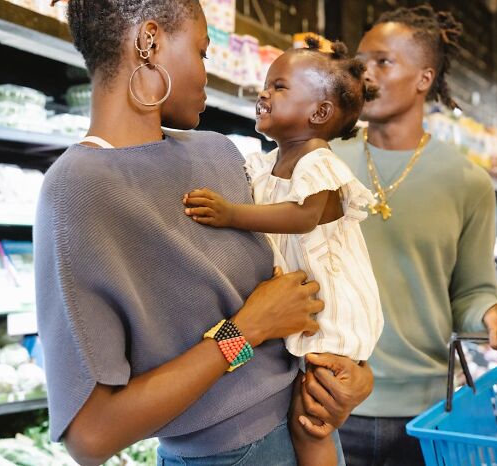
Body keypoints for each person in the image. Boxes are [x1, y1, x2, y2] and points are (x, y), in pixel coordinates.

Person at [35, 1, 373, 465]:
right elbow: (90, 437)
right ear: (149, 42)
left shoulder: (221, 154)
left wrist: (354, 376)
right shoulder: (78, 189)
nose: (206, 74)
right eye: (202, 52)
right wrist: (247, 330)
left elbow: (321, 271)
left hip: (310, 427)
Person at [329, 5, 497, 466]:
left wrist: (489, 313)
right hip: (329, 404)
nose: (365, 73)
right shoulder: (322, 163)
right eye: (361, 61)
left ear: (424, 78)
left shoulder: (467, 181)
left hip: (427, 414)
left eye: (383, 62)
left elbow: (470, 292)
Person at [182, 37, 384, 465]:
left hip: (331, 309)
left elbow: (302, 217)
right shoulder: (269, 164)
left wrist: (231, 214)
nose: (264, 93)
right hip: (303, 304)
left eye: (279, 86)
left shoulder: (318, 163)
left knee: (310, 418)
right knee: (307, 409)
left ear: (319, 112)